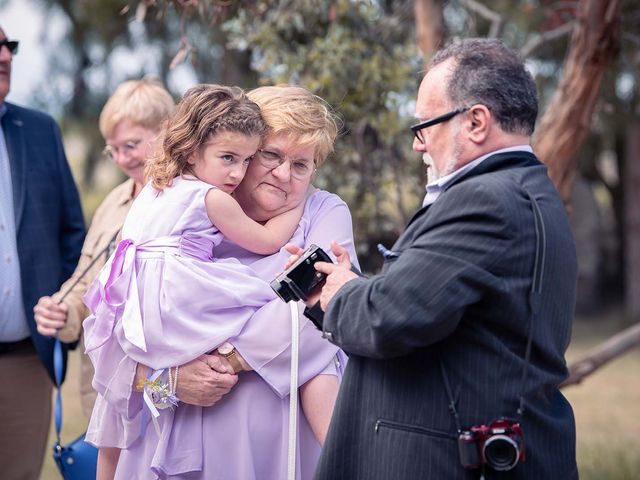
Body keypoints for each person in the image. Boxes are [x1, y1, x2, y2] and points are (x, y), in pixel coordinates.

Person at [289, 38, 579, 479]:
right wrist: (336, 294)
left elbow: (389, 318)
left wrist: (343, 292)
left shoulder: (487, 200)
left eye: (425, 126)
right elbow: (429, 308)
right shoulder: (526, 190)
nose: (418, 146)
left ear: (476, 122)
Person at [85, 84, 354, 480]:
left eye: (302, 165)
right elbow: (122, 334)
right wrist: (173, 379)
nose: (284, 175)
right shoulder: (176, 211)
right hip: (171, 432)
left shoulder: (321, 211)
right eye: (271, 155)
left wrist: (219, 362)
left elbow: (319, 313)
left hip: (274, 442)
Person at [33, 78, 175, 419]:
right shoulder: (114, 201)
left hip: (160, 390)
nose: (122, 159)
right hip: (104, 391)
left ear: (168, 131)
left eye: (131, 145)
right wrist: (62, 310)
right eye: (112, 150)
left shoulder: (187, 199)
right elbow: (85, 280)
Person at [0, 26, 85, 479]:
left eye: (7, 45)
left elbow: (74, 233)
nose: (3, 56)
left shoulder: (39, 130)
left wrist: (66, 310)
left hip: (24, 360)